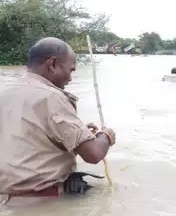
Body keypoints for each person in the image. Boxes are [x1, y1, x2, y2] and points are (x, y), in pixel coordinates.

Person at [0, 37, 117, 201]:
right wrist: (106, 135)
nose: (70, 78)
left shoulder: (5, 92)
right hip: (43, 202)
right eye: (71, 70)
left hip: (6, 201)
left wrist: (78, 131)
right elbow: (93, 154)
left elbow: (29, 139)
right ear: (53, 64)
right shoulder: (53, 97)